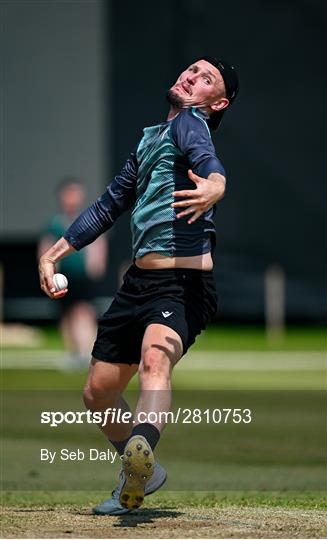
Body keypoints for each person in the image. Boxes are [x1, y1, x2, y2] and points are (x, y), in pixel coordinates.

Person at [38, 56, 238, 514]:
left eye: (207, 79)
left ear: (217, 101)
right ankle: (146, 470)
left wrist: (215, 184)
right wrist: (52, 255)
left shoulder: (192, 124)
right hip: (139, 284)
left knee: (155, 359)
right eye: (193, 69)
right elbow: (108, 206)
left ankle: (137, 459)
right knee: (98, 392)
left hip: (182, 284)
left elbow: (209, 162)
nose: (192, 77)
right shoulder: (152, 139)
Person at [38, 178, 107, 368]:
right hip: (61, 276)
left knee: (84, 312)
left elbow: (98, 242)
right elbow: (45, 247)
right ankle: (73, 353)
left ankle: (87, 352)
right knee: (66, 314)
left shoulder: (88, 219)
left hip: (83, 277)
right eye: (69, 193)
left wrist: (97, 264)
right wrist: (48, 271)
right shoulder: (54, 224)